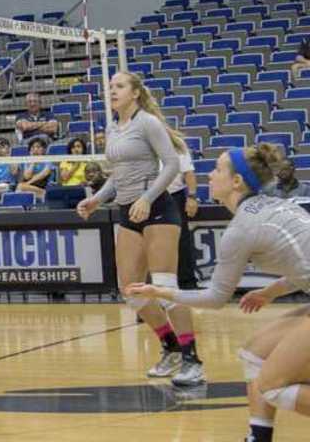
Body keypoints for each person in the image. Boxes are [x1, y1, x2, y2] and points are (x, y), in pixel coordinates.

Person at [124, 144, 307, 442]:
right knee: (254, 356)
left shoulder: (243, 228)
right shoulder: (278, 205)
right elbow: (305, 267)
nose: (210, 174)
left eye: (218, 169)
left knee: (272, 386)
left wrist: (161, 291)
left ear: (236, 182)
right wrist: (270, 291)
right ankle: (258, 437)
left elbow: (215, 299)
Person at [77, 72, 187, 383]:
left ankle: (191, 357)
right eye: (110, 87)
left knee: (165, 287)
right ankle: (171, 347)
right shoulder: (113, 128)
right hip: (127, 210)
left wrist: (148, 197)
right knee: (132, 291)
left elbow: (172, 164)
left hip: (156, 208)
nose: (112, 91)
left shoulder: (147, 123)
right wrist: (97, 199)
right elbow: (117, 174)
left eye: (119, 86)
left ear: (135, 93)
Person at [160, 146, 205, 386]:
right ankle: (172, 344)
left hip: (174, 197)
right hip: (150, 198)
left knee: (182, 251)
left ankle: (188, 293)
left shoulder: (174, 144)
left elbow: (188, 172)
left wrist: (192, 196)